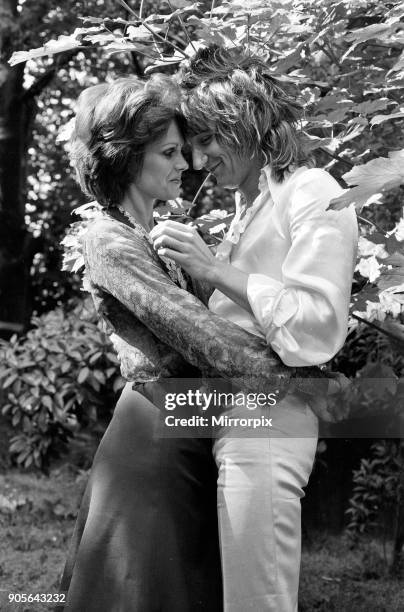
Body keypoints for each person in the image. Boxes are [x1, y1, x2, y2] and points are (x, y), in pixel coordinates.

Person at [58, 74, 328, 612]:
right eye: (170, 152)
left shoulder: (157, 236)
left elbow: (224, 314)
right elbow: (203, 338)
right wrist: (306, 384)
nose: (188, 164)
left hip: (192, 426)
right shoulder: (107, 239)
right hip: (151, 439)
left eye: (185, 150)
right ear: (126, 158)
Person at [150, 45, 358, 611]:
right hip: (217, 409)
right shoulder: (244, 214)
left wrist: (216, 270)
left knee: (256, 597)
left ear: (243, 124)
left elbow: (316, 327)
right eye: (190, 149)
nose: (198, 160)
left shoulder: (312, 189)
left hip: (268, 416)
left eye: (209, 141)